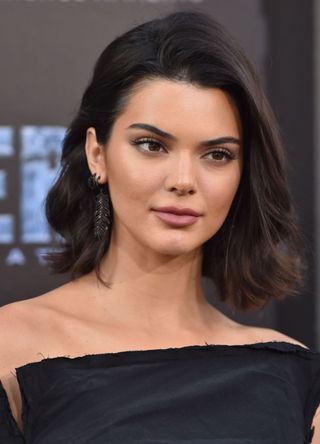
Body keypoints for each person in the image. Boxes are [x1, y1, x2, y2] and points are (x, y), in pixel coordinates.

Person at [0, 9, 319, 444]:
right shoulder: (11, 345)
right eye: (151, 145)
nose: (183, 181)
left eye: (217, 155)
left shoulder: (293, 377)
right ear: (97, 154)